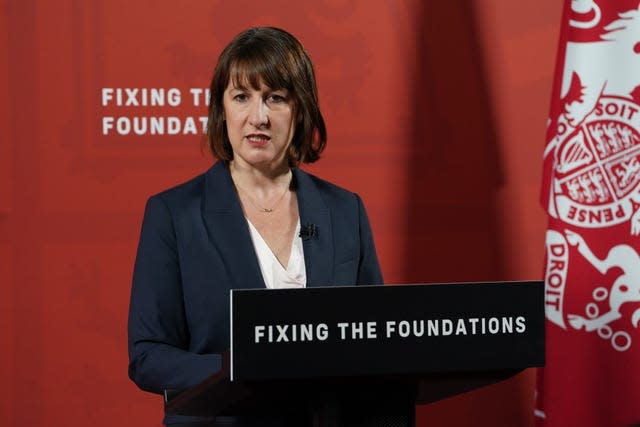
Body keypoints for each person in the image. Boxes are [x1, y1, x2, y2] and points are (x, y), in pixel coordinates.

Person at [127, 27, 383, 426]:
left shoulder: (345, 210)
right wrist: (243, 370)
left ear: (300, 110)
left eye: (275, 98)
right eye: (242, 97)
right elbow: (148, 355)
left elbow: (375, 339)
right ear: (221, 109)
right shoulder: (174, 214)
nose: (258, 117)